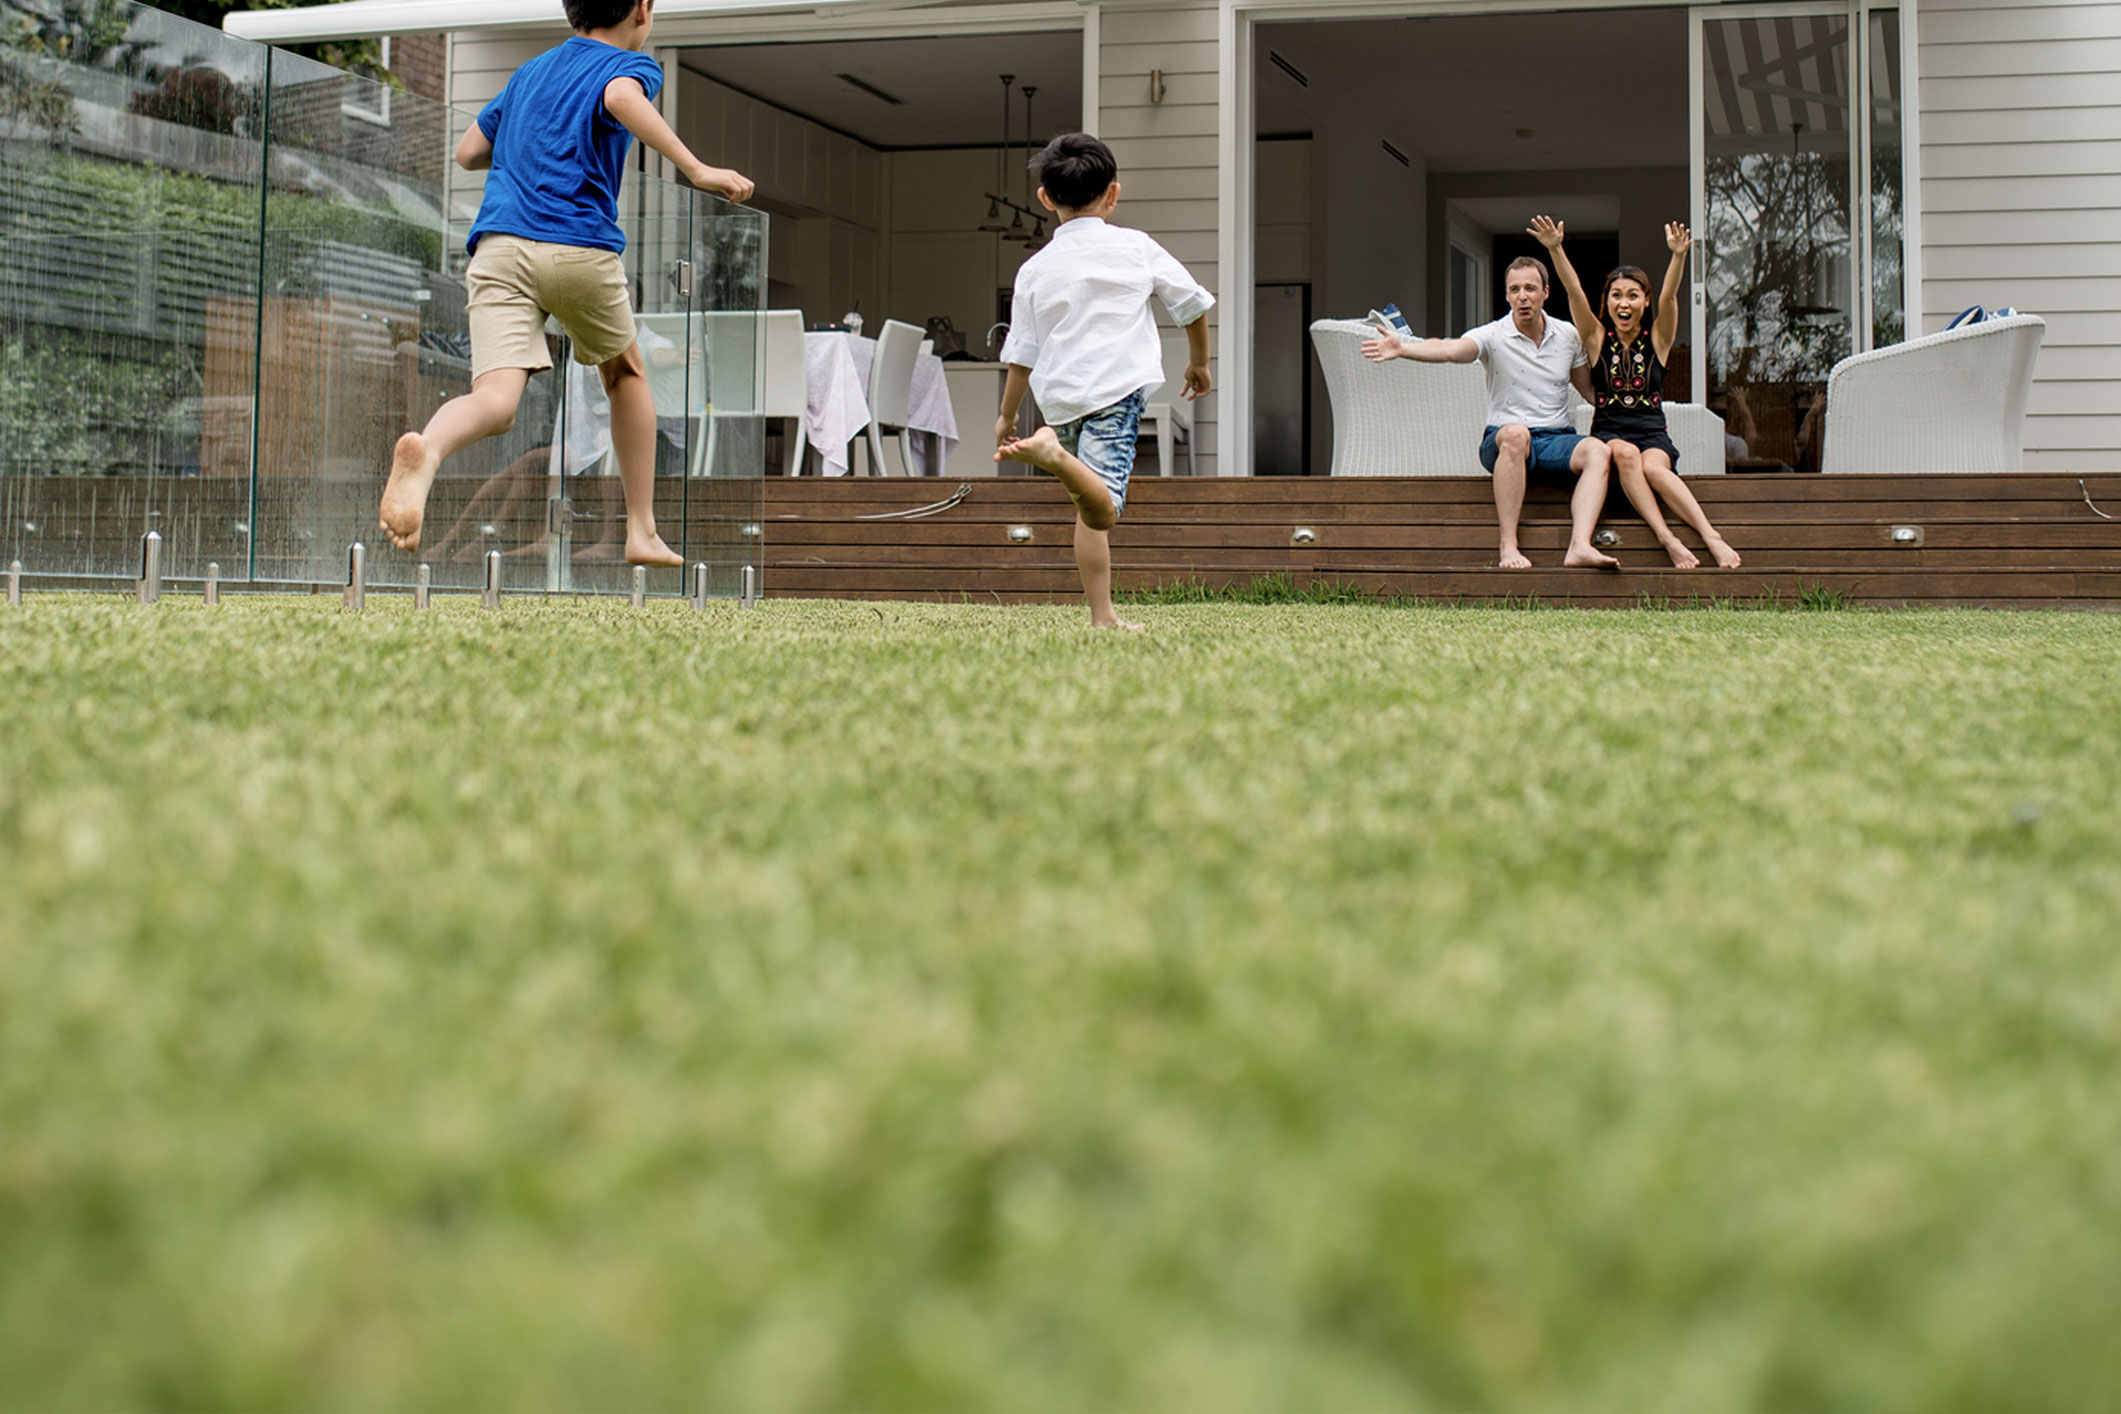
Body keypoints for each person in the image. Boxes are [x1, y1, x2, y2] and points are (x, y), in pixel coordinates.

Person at [379, 0, 754, 564]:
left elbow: (468, 151)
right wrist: (696, 169)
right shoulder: (631, 64)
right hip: (577, 247)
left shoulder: (529, 73)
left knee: (496, 399)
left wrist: (525, 154)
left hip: (499, 246)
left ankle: (428, 449)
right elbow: (621, 99)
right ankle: (641, 530)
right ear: (641, 10)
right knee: (625, 373)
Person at [994, 133, 1214, 629]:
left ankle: (1103, 616)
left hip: (1059, 399)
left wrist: (1007, 415)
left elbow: (1022, 354)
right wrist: (1199, 363)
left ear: (1046, 199)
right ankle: (1052, 454)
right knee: (1104, 510)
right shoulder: (1135, 247)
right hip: (1116, 390)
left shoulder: (1033, 269)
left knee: (1083, 499)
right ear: (1113, 194)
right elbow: (1191, 304)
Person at [1361, 258, 1617, 570]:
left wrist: (1637, 415)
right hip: (1503, 440)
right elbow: (1450, 350)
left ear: (1546, 292)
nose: (1522, 296)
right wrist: (1404, 348)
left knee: (1597, 451)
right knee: (1515, 433)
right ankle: (1508, 545)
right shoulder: (1492, 335)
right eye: (1514, 290)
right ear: (1507, 296)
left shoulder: (1567, 336)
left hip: (1555, 440)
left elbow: (1590, 391)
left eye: (1530, 288)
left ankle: (1579, 546)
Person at [1531, 215, 1742, 569]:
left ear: (1645, 301)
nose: (1623, 304)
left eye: (1632, 296)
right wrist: (1555, 248)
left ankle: (1711, 536)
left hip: (1653, 433)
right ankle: (1667, 538)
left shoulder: (1657, 341)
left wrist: (1678, 256)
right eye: (1616, 296)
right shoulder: (1598, 340)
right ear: (1608, 301)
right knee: (1627, 455)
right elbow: (1574, 292)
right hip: (1611, 433)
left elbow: (1671, 296)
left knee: (1657, 471)